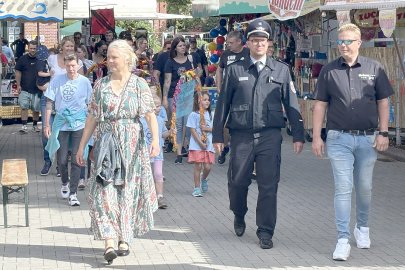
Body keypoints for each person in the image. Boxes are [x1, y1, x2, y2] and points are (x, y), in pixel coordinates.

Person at [212, 19, 304, 249]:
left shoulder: (281, 69)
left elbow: (291, 102)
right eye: (254, 40)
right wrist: (217, 137)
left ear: (268, 42)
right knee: (237, 182)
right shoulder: (235, 69)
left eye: (262, 40)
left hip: (270, 136)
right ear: (248, 43)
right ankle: (239, 213)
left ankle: (265, 231)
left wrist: (299, 135)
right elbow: (223, 105)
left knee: (268, 185)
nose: (259, 44)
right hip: (241, 135)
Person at [312, 23, 394, 261]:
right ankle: (342, 239)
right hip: (339, 139)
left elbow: (383, 102)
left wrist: (384, 133)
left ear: (359, 43)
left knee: (365, 187)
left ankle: (363, 227)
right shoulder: (329, 71)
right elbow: (320, 105)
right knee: (343, 187)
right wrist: (317, 137)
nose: (343, 45)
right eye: (340, 41)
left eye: (348, 41)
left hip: (368, 139)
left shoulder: (374, 68)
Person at [76, 40, 159, 264]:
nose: (109, 61)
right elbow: (92, 116)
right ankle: (109, 242)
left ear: (126, 59)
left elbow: (150, 115)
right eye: (108, 57)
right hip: (106, 143)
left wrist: (156, 142)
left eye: (114, 57)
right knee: (104, 190)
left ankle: (124, 237)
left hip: (132, 144)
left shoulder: (139, 85)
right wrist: (83, 145)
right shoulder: (100, 85)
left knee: (127, 190)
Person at [44, 53, 92, 206]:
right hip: (62, 122)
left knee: (78, 159)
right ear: (64, 65)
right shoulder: (57, 80)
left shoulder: (85, 82)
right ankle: (65, 182)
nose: (71, 69)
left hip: (79, 123)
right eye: (68, 66)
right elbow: (49, 103)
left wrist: (93, 127)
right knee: (63, 159)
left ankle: (73, 193)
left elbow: (91, 106)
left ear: (78, 65)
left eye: (74, 66)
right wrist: (46, 124)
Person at [42, 36, 84, 176]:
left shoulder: (78, 62)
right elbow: (43, 76)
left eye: (72, 46)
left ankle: (62, 165)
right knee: (48, 134)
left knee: (65, 137)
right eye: (67, 46)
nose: (69, 48)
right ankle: (48, 161)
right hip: (51, 98)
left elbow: (81, 84)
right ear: (62, 46)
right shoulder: (52, 59)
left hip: (70, 105)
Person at [162, 36, 202, 164]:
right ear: (175, 48)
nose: (183, 47)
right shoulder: (170, 62)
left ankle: (191, 151)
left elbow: (197, 76)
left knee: (189, 124)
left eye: (184, 45)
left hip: (189, 95)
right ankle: (178, 153)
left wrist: (200, 92)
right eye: (180, 45)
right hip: (175, 96)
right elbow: (167, 81)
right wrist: (164, 97)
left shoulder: (190, 60)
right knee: (178, 125)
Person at [216, 31, 250, 164]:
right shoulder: (226, 54)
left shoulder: (247, 53)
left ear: (239, 42)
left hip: (242, 94)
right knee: (224, 123)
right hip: (228, 92)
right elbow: (219, 69)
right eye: (227, 43)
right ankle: (224, 147)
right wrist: (219, 87)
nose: (228, 45)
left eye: (230, 43)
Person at [140, 95, 170, 209]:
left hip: (158, 151)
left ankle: (160, 196)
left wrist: (171, 132)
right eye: (156, 106)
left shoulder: (160, 120)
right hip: (144, 152)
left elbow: (163, 134)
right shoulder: (141, 120)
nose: (158, 108)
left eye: (159, 106)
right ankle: (145, 197)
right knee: (144, 175)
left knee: (158, 174)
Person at [187, 91, 214, 197]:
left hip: (209, 145)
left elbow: (215, 128)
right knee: (198, 166)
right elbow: (193, 131)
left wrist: (206, 128)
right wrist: (200, 143)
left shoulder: (211, 114)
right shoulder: (194, 115)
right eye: (204, 99)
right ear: (198, 101)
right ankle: (197, 188)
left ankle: (204, 179)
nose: (207, 102)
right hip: (197, 145)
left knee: (208, 167)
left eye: (208, 100)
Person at [15, 40, 41, 133]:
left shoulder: (40, 59)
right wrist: (18, 85)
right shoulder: (22, 59)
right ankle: (24, 126)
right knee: (24, 107)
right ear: (28, 48)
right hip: (24, 88)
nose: (33, 50)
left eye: (34, 48)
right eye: (31, 48)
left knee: (36, 108)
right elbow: (18, 72)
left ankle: (35, 125)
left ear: (37, 49)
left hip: (38, 88)